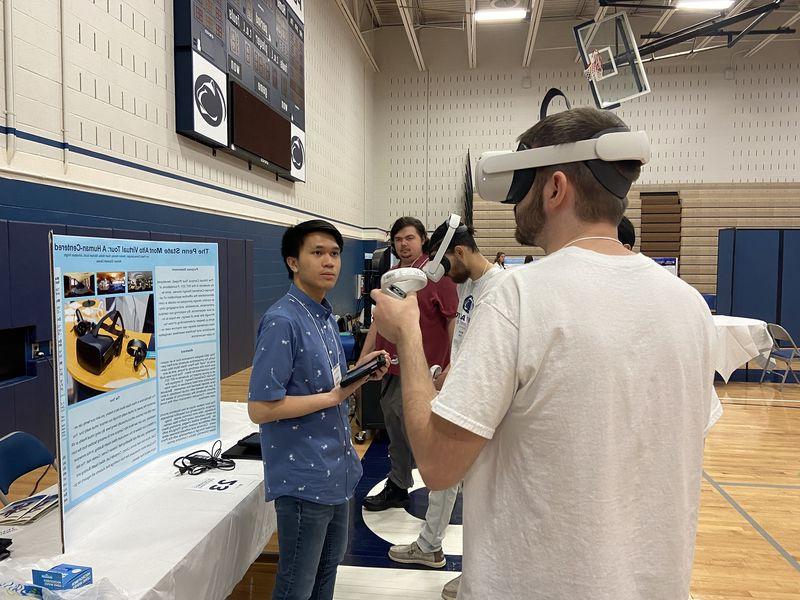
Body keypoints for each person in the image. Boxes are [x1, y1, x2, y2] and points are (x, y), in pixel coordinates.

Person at [370, 108, 718, 599]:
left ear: (555, 188)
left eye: (522, 187)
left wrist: (406, 336)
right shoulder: (688, 304)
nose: (515, 205)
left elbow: (439, 466)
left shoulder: (518, 297)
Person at [247, 219, 389, 600]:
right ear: (293, 262)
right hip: (303, 479)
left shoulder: (324, 316)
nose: (329, 262)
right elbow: (261, 408)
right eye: (318, 253)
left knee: (327, 574)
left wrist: (361, 373)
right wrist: (332, 398)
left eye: (335, 253)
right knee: (297, 586)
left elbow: (332, 387)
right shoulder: (282, 320)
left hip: (338, 473)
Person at [387, 220, 504, 596]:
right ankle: (428, 546)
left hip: (488, 407)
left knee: (483, 494)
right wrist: (446, 371)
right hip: (463, 395)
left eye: (449, 268)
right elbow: (466, 343)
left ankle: (479, 575)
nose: (446, 278)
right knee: (448, 480)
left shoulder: (500, 289)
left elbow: (492, 357)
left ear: (460, 252)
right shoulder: (470, 284)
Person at [360, 216, 458, 512]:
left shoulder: (436, 276)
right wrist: (362, 363)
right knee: (396, 432)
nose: (403, 244)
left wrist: (451, 367)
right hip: (391, 368)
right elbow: (378, 322)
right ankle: (399, 484)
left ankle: (441, 495)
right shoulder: (391, 275)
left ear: (422, 240)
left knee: (428, 437)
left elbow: (452, 320)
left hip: (425, 372)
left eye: (409, 238)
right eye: (398, 239)